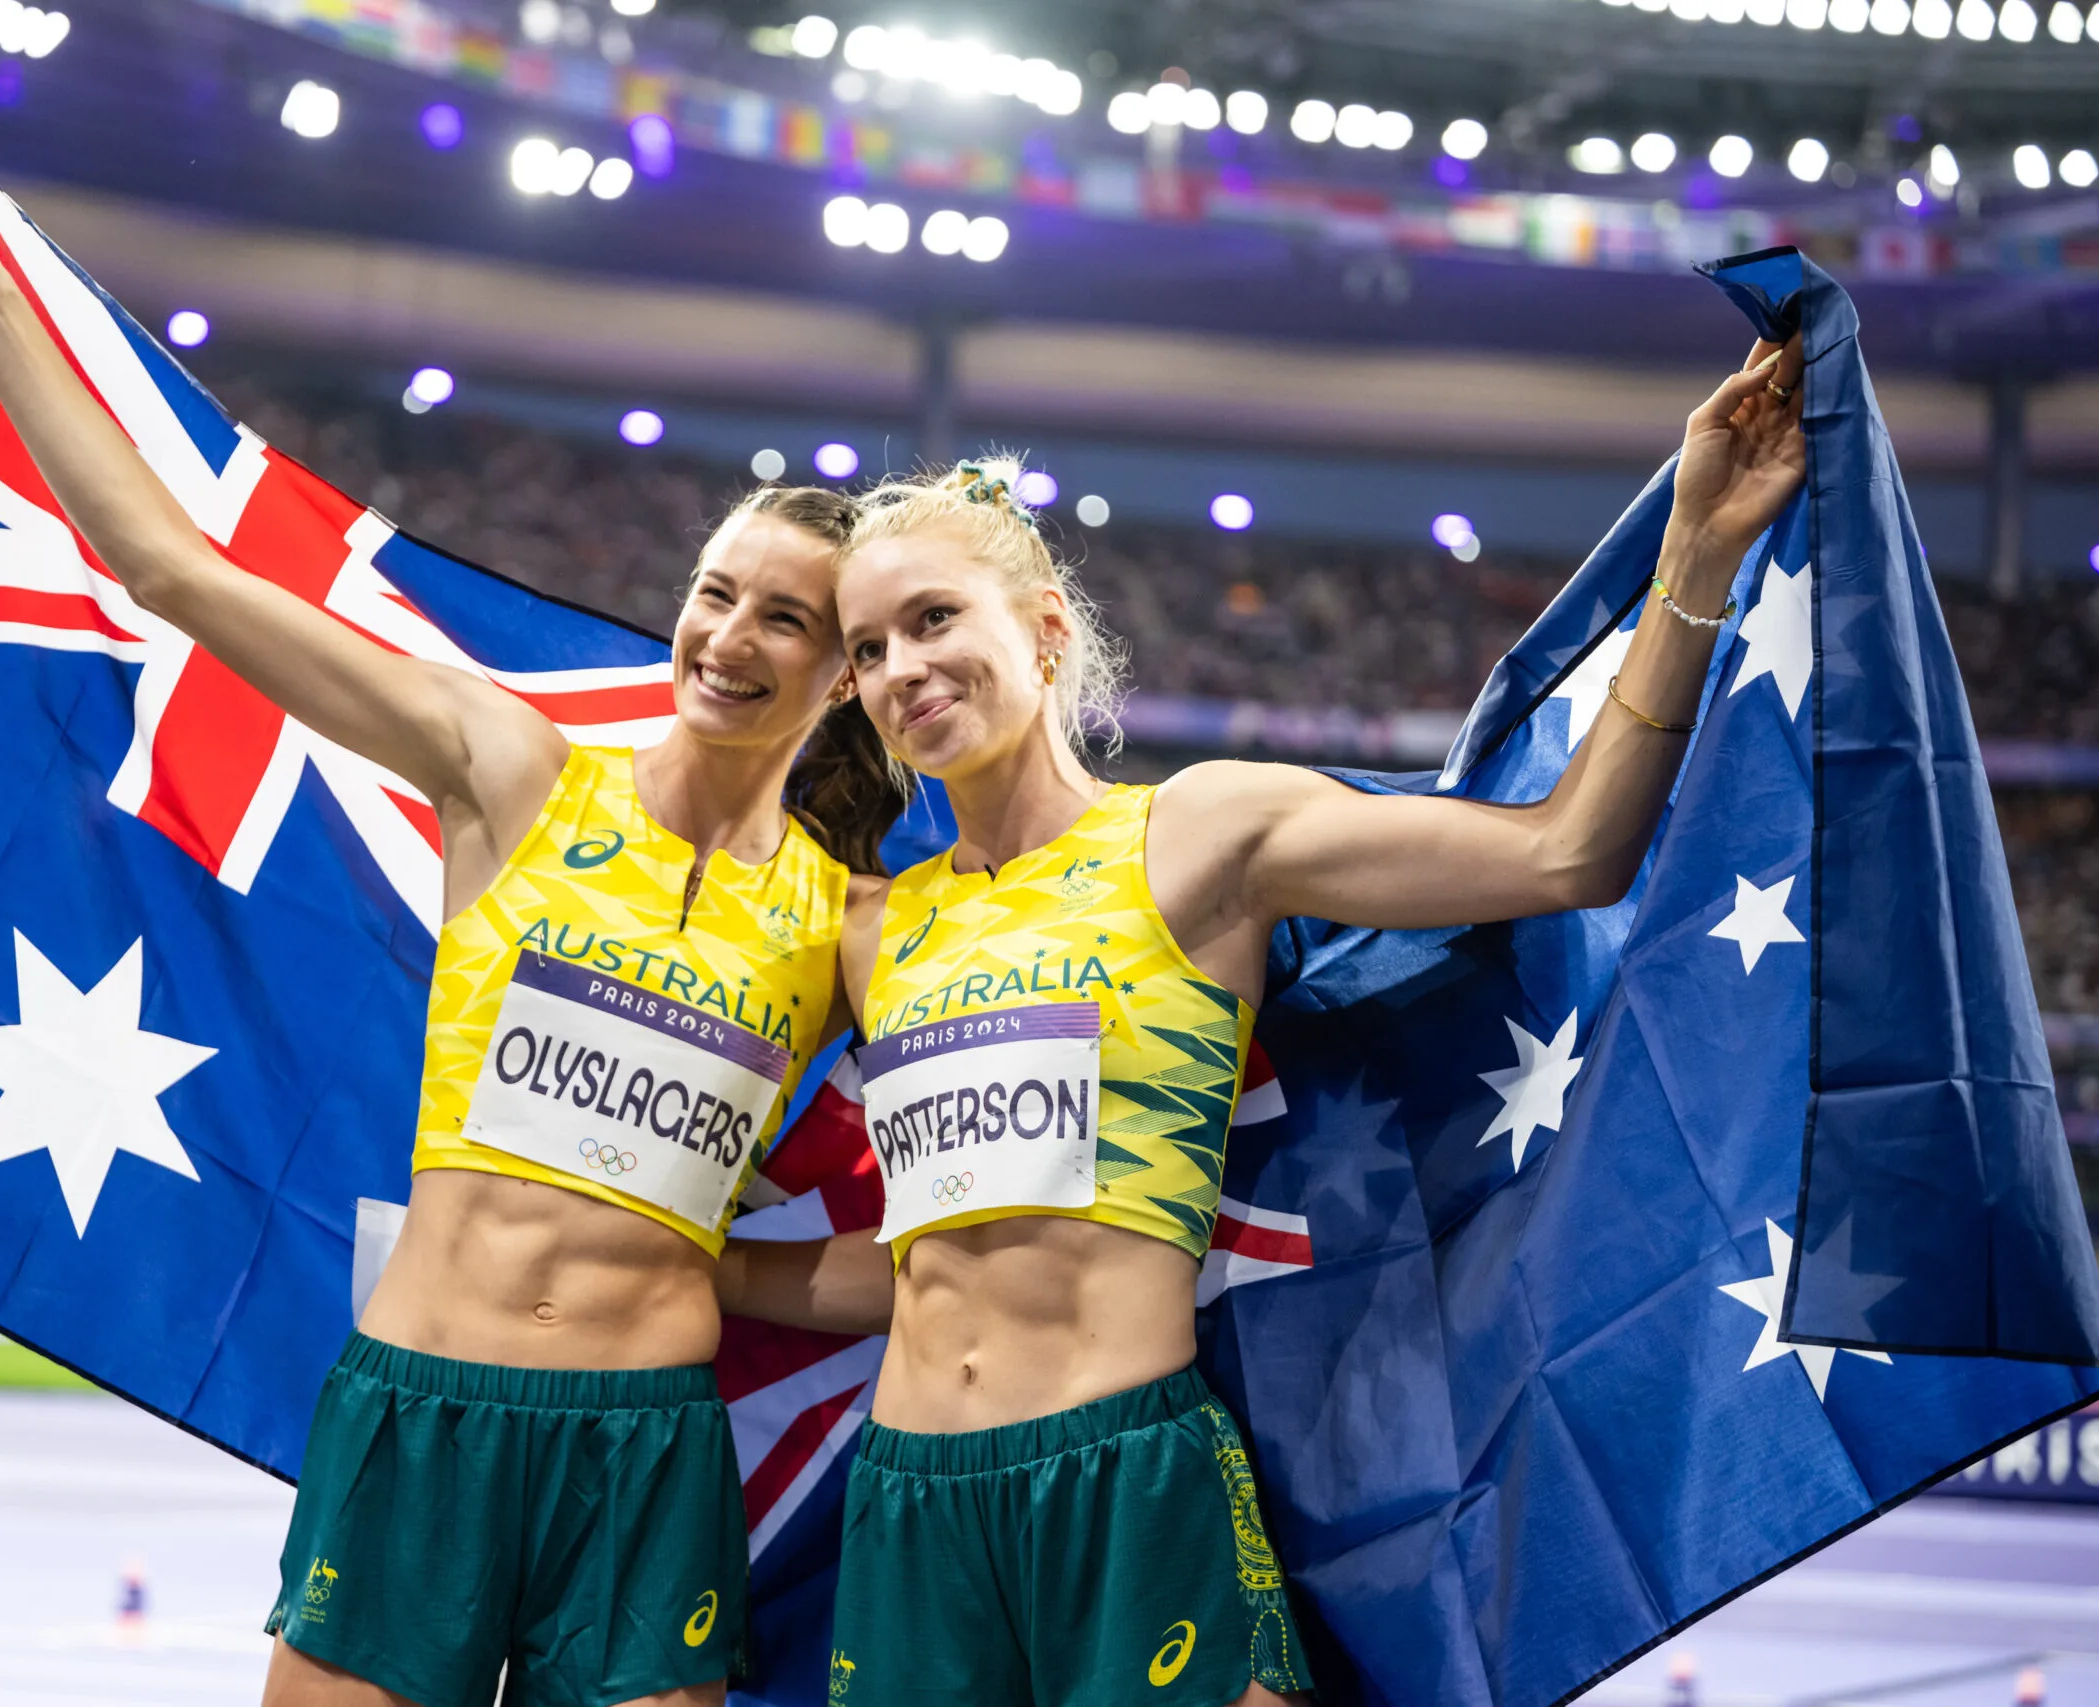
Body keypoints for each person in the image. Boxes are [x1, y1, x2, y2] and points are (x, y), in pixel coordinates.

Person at [0, 159, 903, 1707]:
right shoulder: (510, 766)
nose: (727, 635)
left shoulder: (851, 922)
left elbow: (963, 1204)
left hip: (646, 1449)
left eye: (784, 618)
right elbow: (172, 570)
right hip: (421, 1415)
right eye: (715, 590)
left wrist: (737, 1279)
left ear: (844, 675)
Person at [762, 344, 1804, 1707]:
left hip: (1127, 1481)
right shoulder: (870, 927)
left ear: (1045, 629)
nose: (905, 667)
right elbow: (922, 1253)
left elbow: (1567, 854)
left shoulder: (1201, 837)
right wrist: (687, 1270)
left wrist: (1699, 554)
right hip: (910, 1503)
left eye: (937, 618)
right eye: (868, 648)